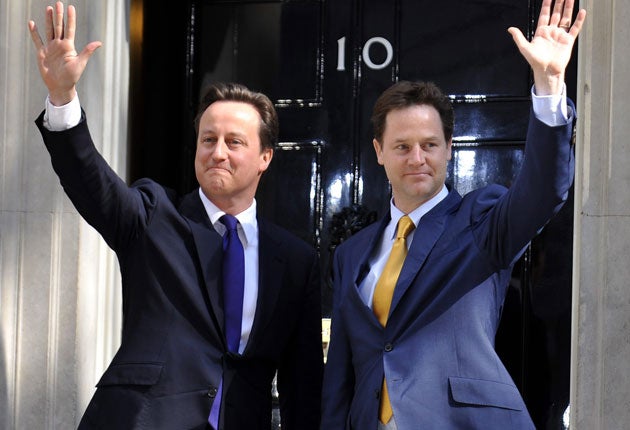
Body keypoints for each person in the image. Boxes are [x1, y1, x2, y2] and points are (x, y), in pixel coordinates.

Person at [28, 2, 323, 429]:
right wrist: (62, 97)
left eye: (234, 142)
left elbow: (303, 384)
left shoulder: (296, 261)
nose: (217, 152)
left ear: (265, 157)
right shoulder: (152, 215)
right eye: (208, 139)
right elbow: (90, 182)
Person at [320, 0, 586, 429]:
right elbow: (342, 378)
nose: (417, 158)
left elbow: (543, 192)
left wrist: (550, 85)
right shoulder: (351, 255)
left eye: (429, 144)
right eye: (403, 146)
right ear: (379, 152)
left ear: (448, 150)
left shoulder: (479, 221)